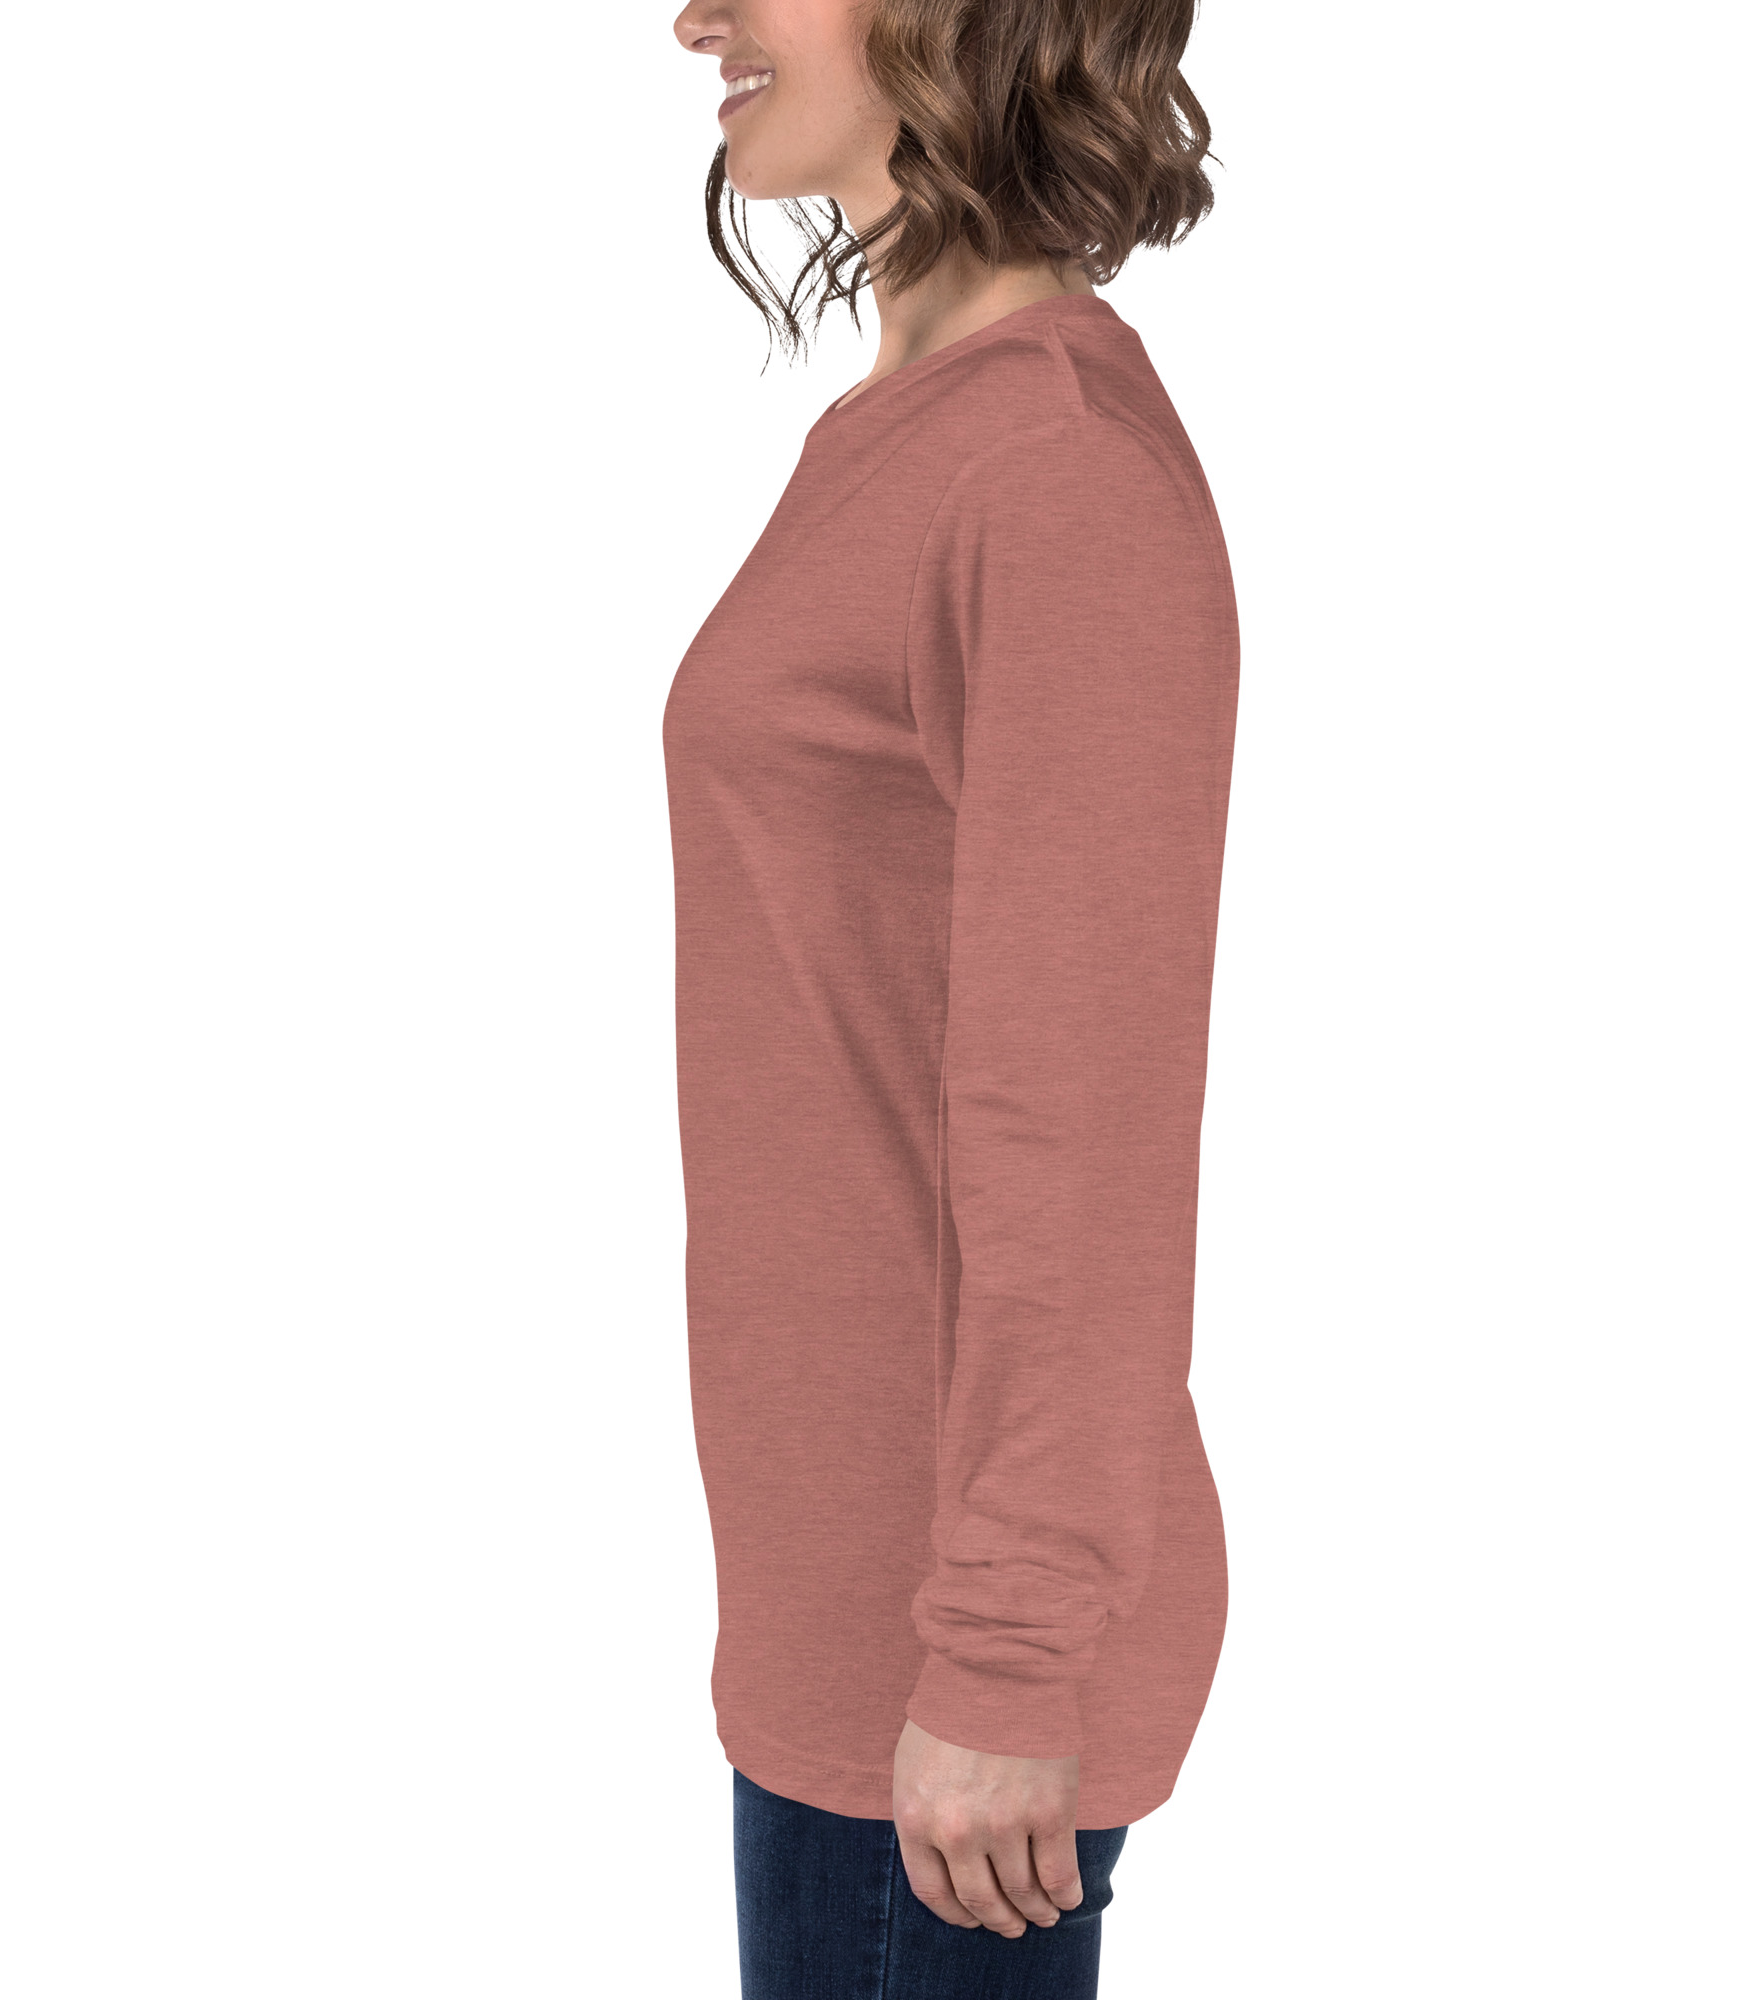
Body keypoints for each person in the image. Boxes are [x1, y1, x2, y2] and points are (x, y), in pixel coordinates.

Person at [662, 3, 1238, 1992]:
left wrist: (1005, 1648)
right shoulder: (906, 431)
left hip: (960, 1664)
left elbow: (1081, 1120)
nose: (695, 17)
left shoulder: (1051, 469)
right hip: (844, 1603)